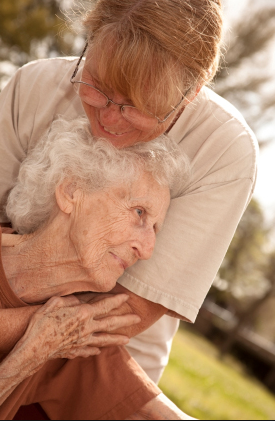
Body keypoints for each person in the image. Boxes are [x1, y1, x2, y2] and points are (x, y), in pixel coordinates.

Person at [0, 0, 258, 383]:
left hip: (99, 368)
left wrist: (41, 335)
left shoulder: (224, 151)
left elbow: (121, 314)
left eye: (135, 105)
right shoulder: (34, 86)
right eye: (98, 87)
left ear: (190, 94)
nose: (106, 117)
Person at [0, 117, 192, 420]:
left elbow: (151, 414)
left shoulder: (71, 331)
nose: (147, 250)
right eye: (139, 213)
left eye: (155, 228)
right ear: (72, 191)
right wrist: (29, 354)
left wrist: (44, 342)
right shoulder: (55, 333)